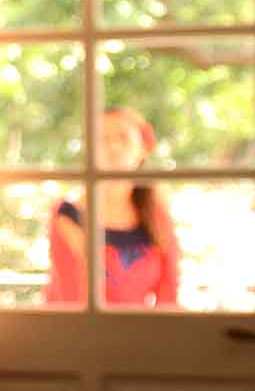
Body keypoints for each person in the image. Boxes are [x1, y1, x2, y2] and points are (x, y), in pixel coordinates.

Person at [46, 105, 181, 307]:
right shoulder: (68, 214)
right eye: (102, 139)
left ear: (143, 149)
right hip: (79, 332)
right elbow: (72, 298)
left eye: (123, 138)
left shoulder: (156, 213)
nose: (113, 147)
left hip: (144, 333)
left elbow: (169, 296)